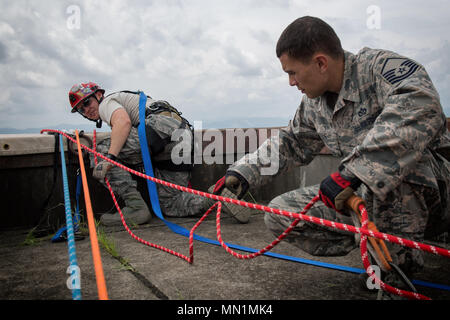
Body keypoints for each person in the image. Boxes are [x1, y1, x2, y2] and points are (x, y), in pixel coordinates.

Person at [222, 16, 450, 293]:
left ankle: (397, 278)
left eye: (293, 73)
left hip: (434, 193)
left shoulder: (378, 68)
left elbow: (421, 103)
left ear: (320, 63)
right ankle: (377, 243)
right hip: (368, 201)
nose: (291, 82)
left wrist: (356, 172)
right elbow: (291, 141)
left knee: (392, 174)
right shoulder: (314, 104)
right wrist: (244, 172)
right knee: (282, 214)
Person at [68, 83, 245, 226]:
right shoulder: (128, 100)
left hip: (158, 129)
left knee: (98, 152)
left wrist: (109, 158)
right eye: (81, 110)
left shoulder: (107, 102)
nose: (86, 110)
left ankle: (135, 206)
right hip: (181, 138)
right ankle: (216, 198)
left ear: (99, 95)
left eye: (87, 103)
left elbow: (123, 122)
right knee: (170, 203)